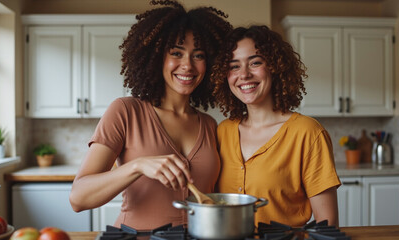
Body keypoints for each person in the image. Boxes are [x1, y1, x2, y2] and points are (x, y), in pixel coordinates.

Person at [69, 0, 232, 229]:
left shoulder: (209, 124)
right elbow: (78, 198)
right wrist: (138, 166)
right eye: (176, 53)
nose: (187, 66)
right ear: (156, 57)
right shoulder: (125, 111)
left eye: (198, 55)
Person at [211, 25, 341, 227]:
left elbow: (328, 222)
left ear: (275, 67)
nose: (243, 74)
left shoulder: (308, 132)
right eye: (234, 66)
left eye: (255, 62)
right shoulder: (222, 131)